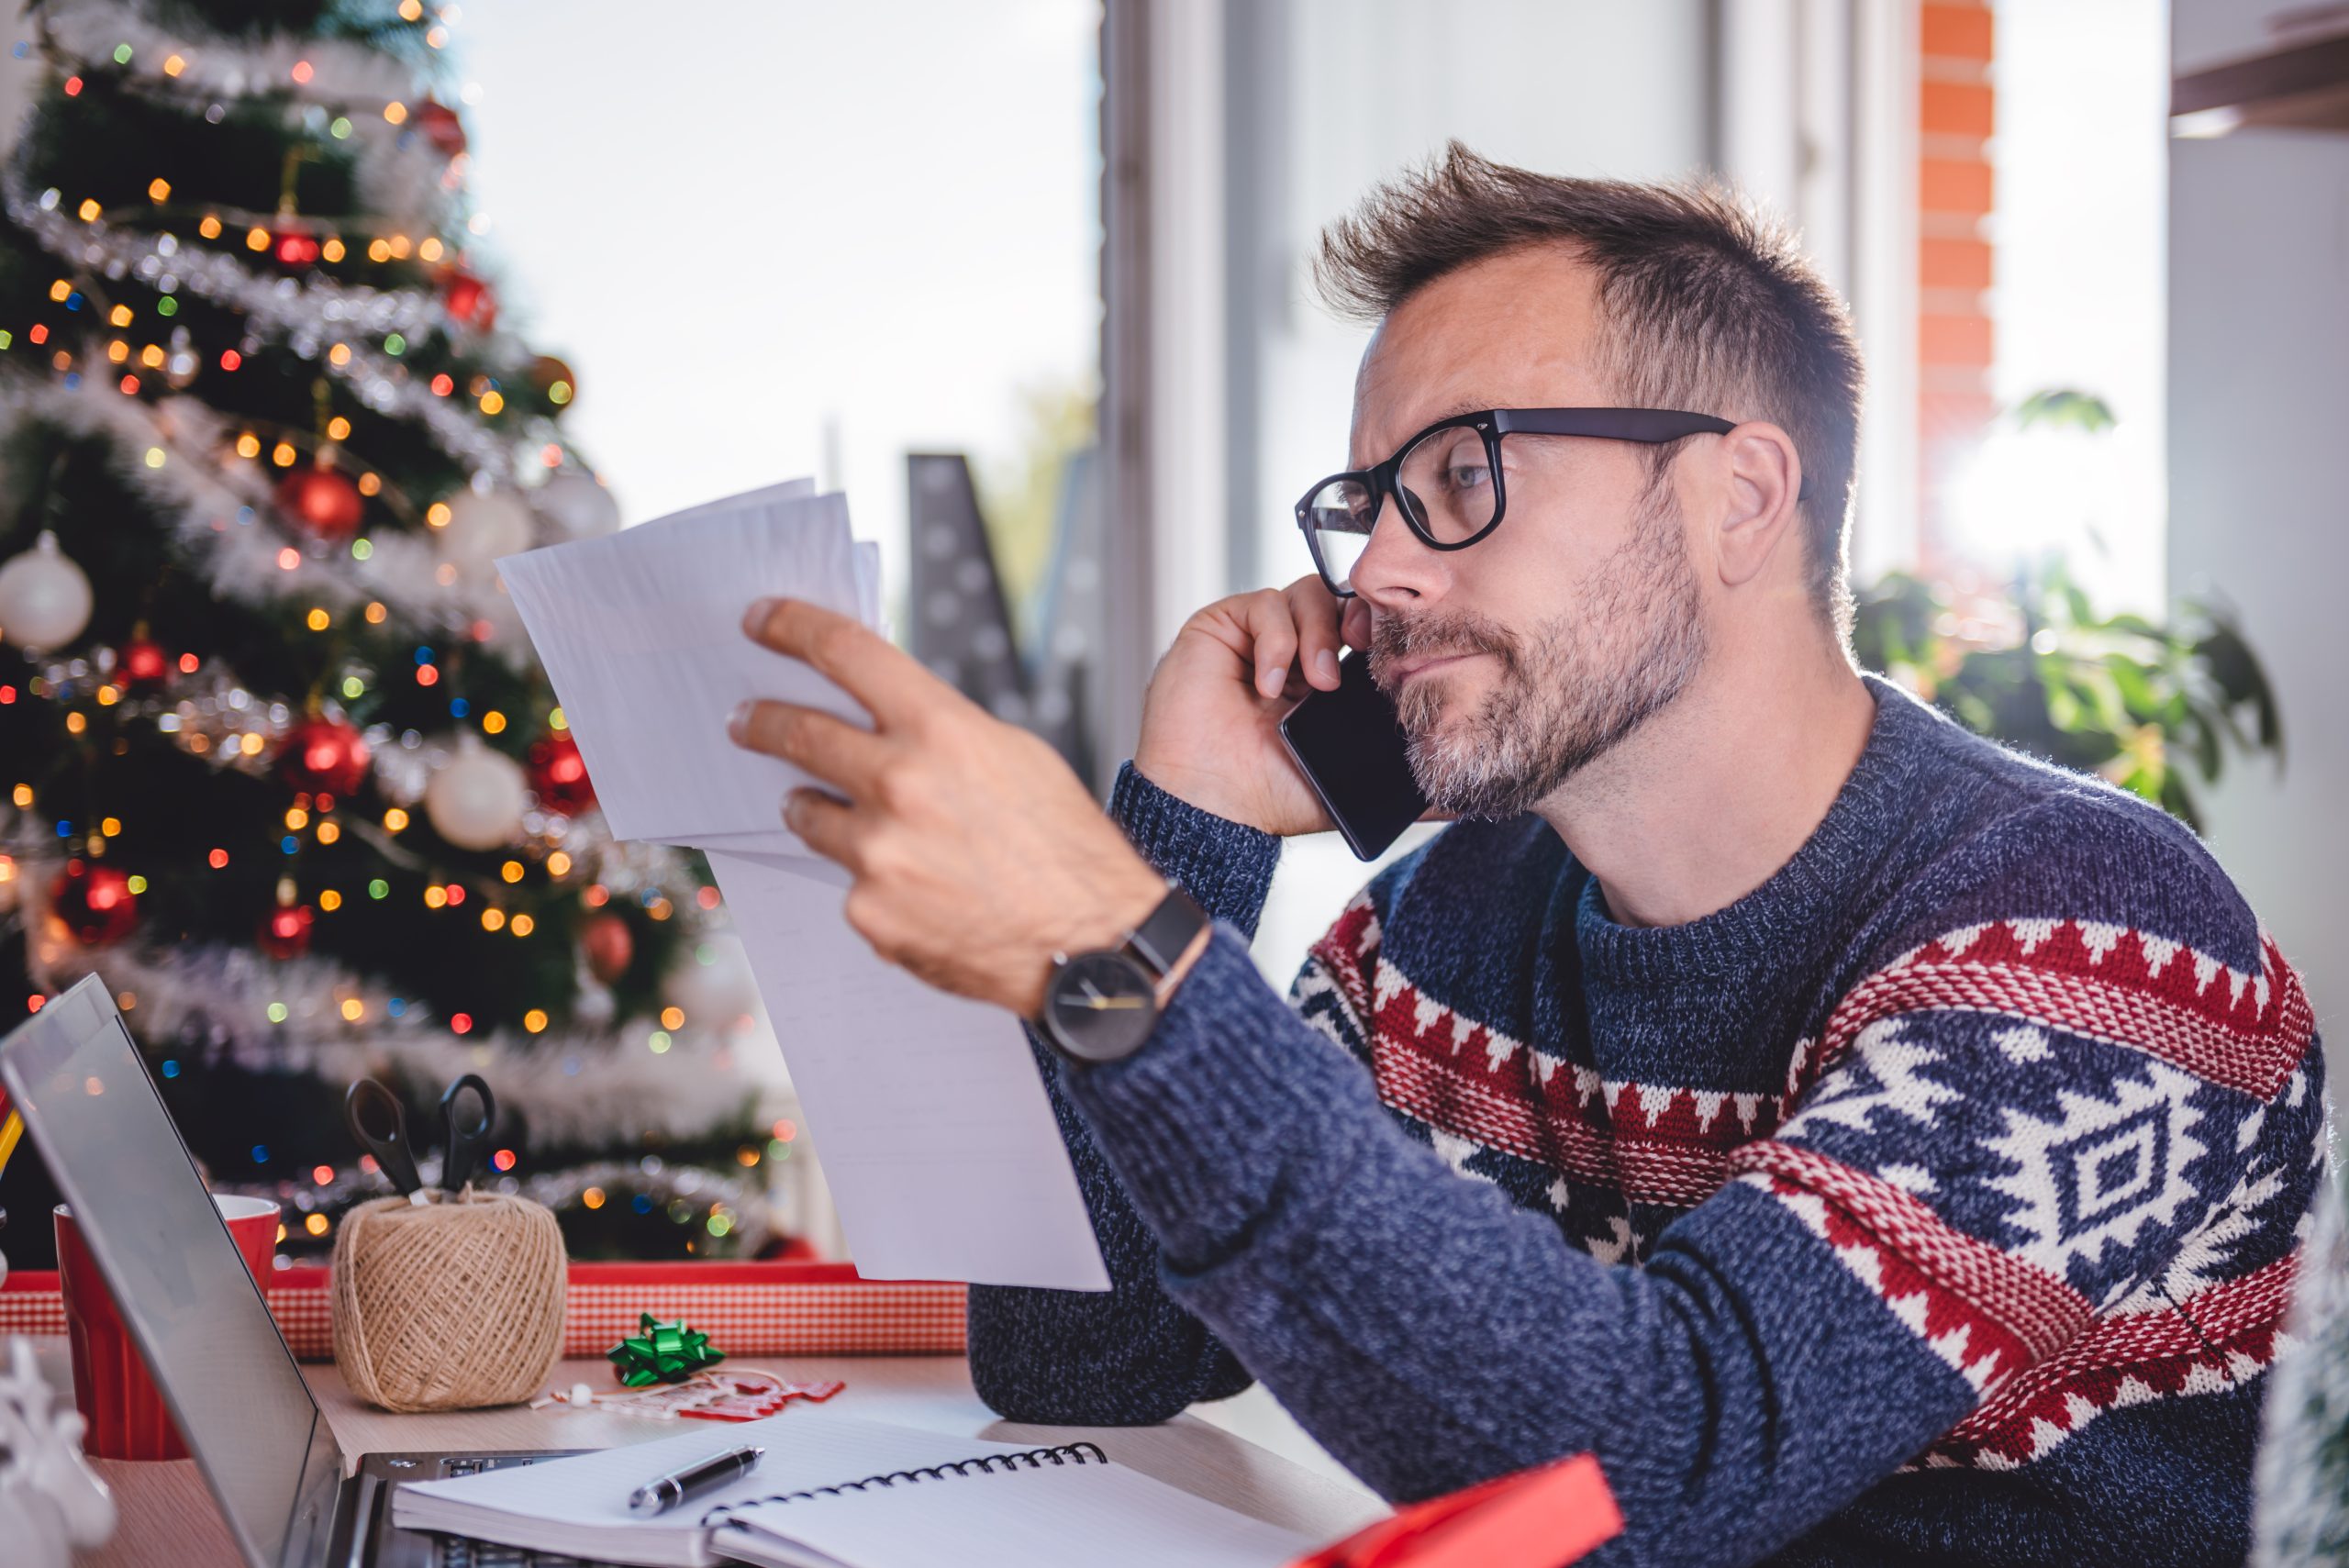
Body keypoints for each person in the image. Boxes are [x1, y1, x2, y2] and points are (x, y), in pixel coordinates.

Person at [723, 145, 2332, 1566]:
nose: (1378, 576)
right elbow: (1090, 1362)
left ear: (1741, 497)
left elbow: (1662, 1470)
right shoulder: (1443, 924)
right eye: (1369, 503)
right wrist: (1190, 827)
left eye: (1459, 478)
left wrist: (1116, 949)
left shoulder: (2091, 934)